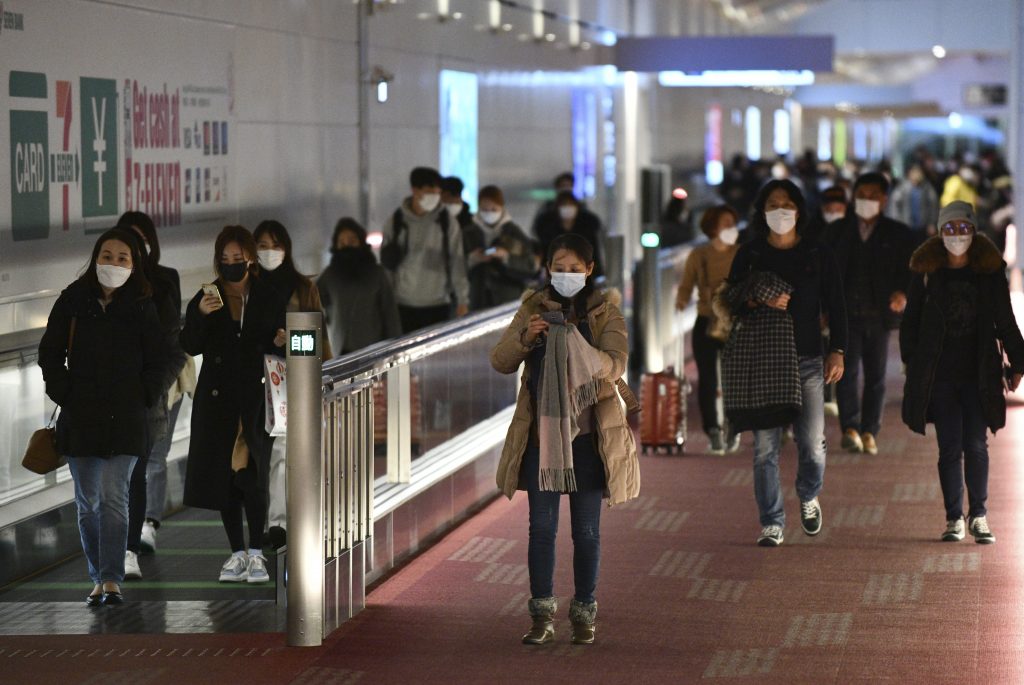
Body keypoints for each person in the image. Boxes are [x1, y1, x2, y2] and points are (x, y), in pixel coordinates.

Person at [490, 233, 639, 646]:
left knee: (587, 531)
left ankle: (584, 612)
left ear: (590, 270)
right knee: (541, 528)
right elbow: (500, 360)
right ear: (547, 267)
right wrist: (528, 338)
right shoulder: (532, 308)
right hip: (543, 437)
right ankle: (541, 616)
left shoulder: (604, 312)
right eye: (559, 267)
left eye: (576, 268)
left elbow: (616, 364)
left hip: (590, 438)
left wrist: (576, 344)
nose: (567, 275)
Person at [38, 227, 167, 606]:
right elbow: (50, 352)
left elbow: (158, 360)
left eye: (122, 258)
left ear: (134, 265)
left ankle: (110, 579)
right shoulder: (73, 300)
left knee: (114, 498)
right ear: (96, 258)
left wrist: (144, 395)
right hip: (81, 420)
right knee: (88, 502)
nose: (113, 263)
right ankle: (98, 573)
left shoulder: (142, 306)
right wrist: (64, 392)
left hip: (126, 421)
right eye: (107, 256)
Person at [720, 179, 847, 547]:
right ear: (761, 211)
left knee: (811, 442)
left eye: (787, 204)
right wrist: (758, 300)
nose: (781, 211)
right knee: (764, 448)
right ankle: (772, 520)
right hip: (763, 359)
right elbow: (730, 299)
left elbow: (836, 305)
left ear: (799, 210)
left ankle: (808, 494)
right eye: (773, 204)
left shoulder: (818, 253)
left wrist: (837, 349)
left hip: (807, 357)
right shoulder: (751, 254)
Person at [901, 201, 1024, 544]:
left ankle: (979, 515)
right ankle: (954, 517)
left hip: (979, 371)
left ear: (974, 230)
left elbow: (1005, 319)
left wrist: (1018, 361)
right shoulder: (926, 271)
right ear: (940, 233)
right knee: (949, 447)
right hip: (939, 375)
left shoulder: (988, 271)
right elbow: (910, 320)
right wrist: (911, 361)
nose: (957, 235)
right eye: (950, 229)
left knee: (977, 444)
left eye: (963, 228)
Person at [180, 225, 286, 583]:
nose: (230, 266)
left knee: (252, 474)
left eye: (237, 259)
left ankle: (256, 552)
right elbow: (190, 344)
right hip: (217, 399)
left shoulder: (267, 294)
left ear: (250, 259)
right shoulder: (208, 295)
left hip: (255, 398)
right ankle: (236, 553)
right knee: (225, 477)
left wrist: (280, 339)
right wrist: (201, 315)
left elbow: (281, 340)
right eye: (224, 260)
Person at [116, 211, 190, 580]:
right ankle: (121, 543)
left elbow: (173, 339)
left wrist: (153, 383)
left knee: (151, 459)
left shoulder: (164, 280)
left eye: (139, 238)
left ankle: (145, 528)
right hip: (115, 395)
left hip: (158, 387)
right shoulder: (100, 287)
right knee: (121, 467)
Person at [253, 219, 332, 549]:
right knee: (259, 455)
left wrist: (292, 339)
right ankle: (267, 522)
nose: (269, 253)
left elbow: (316, 343)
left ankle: (280, 523)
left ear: (287, 249)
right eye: (262, 246)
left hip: (290, 380)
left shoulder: (303, 288)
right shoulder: (248, 286)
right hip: (254, 379)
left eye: (275, 246)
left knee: (283, 452)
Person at [824, 172, 913, 456]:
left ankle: (869, 430)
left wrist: (903, 293)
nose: (866, 201)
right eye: (861, 195)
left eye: (873, 196)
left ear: (884, 200)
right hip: (845, 314)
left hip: (879, 315)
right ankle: (849, 427)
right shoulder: (838, 231)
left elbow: (911, 270)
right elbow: (824, 271)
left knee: (876, 376)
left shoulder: (898, 234)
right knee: (845, 373)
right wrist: (825, 309)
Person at [675, 204, 741, 454]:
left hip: (734, 322)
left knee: (734, 379)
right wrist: (681, 300)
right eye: (726, 223)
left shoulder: (740, 253)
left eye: (732, 223)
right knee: (707, 379)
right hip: (706, 320)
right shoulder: (699, 255)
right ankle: (712, 429)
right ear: (712, 227)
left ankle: (733, 425)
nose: (731, 228)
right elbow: (686, 284)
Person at [380, 166, 470, 333]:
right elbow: (387, 264)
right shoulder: (396, 222)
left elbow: (457, 262)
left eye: (437, 193)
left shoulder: (447, 222)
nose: (435, 198)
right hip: (403, 303)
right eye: (430, 192)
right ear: (415, 190)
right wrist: (387, 301)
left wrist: (462, 300)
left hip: (439, 303)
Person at [318, 217, 402, 354]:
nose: (347, 246)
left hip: (372, 349)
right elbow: (313, 300)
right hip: (339, 350)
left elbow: (390, 314)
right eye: (342, 242)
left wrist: (394, 348)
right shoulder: (331, 275)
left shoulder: (377, 273)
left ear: (361, 242)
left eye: (352, 241)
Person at [463, 185, 540, 309]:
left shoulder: (513, 232)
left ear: (501, 207)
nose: (489, 213)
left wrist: (506, 257)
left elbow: (530, 266)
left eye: (494, 209)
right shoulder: (468, 233)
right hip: (476, 298)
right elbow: (454, 267)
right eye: (484, 209)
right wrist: (472, 259)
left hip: (508, 297)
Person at [533, 191, 604, 277]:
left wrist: (598, 273)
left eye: (570, 204)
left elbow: (594, 253)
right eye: (564, 205)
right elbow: (544, 252)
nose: (567, 208)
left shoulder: (587, 228)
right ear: (557, 208)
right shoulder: (547, 229)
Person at [889, 164, 939, 240]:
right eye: (914, 173)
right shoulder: (903, 187)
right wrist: (897, 223)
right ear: (909, 174)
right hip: (906, 226)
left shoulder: (927, 188)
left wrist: (931, 223)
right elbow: (895, 205)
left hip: (922, 227)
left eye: (918, 173)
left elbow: (933, 206)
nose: (916, 175)